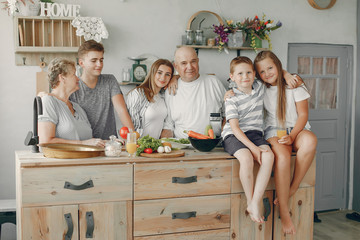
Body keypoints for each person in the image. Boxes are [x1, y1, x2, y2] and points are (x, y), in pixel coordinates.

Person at [254, 50, 317, 234]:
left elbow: (304, 115)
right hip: (274, 129)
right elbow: (239, 77)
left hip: (297, 127)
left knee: (310, 141)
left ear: (278, 66)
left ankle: (293, 186)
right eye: (262, 72)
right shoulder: (261, 87)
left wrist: (293, 135)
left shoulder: (294, 84)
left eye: (271, 68)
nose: (267, 74)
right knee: (282, 155)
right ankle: (284, 211)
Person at [222, 56, 274, 223]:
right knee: (246, 158)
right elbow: (235, 128)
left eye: (248, 72)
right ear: (232, 77)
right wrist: (253, 148)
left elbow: (275, 73)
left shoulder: (259, 88)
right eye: (240, 74)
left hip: (255, 134)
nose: (245, 77)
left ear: (254, 74)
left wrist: (287, 74)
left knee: (269, 156)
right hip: (233, 134)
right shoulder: (231, 98)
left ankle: (254, 202)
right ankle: (250, 199)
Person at [69, 40, 134, 140]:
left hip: (109, 145)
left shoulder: (110, 81)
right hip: (84, 145)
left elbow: (122, 110)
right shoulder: (74, 86)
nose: (99, 64)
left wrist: (133, 138)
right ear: (81, 63)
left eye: (101, 60)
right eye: (94, 61)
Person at [162, 46, 226, 138]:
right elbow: (168, 126)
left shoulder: (214, 82)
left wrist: (224, 135)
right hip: (183, 147)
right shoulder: (171, 90)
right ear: (176, 66)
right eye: (184, 63)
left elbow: (228, 113)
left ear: (198, 61)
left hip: (214, 146)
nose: (190, 67)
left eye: (193, 61)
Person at [38, 58, 105, 147]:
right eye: (74, 74)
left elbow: (90, 142)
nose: (78, 79)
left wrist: (109, 142)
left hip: (84, 159)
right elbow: (45, 141)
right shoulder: (49, 101)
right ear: (62, 78)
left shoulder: (78, 108)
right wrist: (82, 144)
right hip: (62, 160)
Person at [125, 59, 174, 139]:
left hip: (155, 147)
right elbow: (131, 127)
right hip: (139, 146)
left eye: (167, 74)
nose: (163, 77)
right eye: (159, 73)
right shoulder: (137, 93)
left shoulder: (163, 95)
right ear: (153, 73)